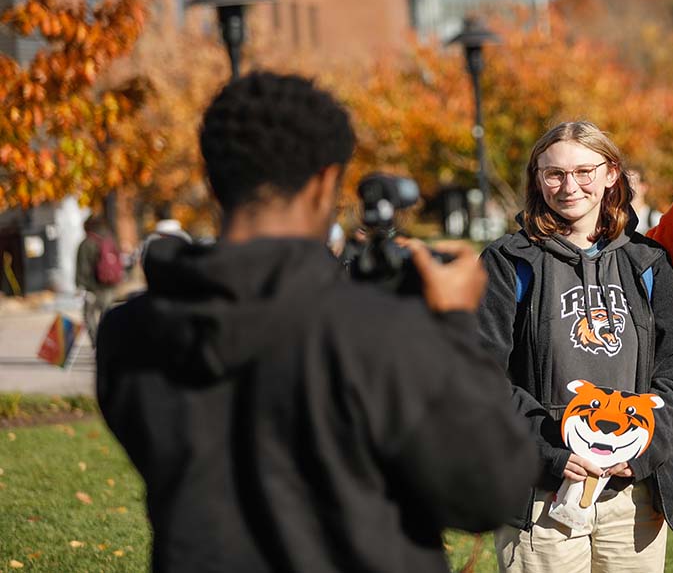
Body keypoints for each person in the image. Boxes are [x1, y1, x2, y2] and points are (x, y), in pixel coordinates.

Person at [96, 72, 537, 573]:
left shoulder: (127, 335)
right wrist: (455, 324)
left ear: (211, 176)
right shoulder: (375, 332)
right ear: (325, 180)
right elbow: (490, 491)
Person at [478, 121, 673, 573]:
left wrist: (643, 446)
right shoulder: (508, 263)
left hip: (633, 499)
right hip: (541, 497)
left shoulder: (649, 262)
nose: (570, 186)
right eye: (554, 174)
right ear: (536, 178)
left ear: (611, 174)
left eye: (584, 171)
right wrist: (552, 453)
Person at [76, 214, 123, 345]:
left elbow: (83, 268)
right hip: (109, 285)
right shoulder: (109, 240)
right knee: (107, 315)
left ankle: (97, 343)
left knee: (88, 315)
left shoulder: (86, 243)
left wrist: (81, 286)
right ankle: (108, 342)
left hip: (93, 287)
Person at [626, 167, 661, 235]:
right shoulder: (616, 221)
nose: (628, 187)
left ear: (643, 187)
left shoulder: (655, 219)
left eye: (633, 183)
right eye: (625, 183)